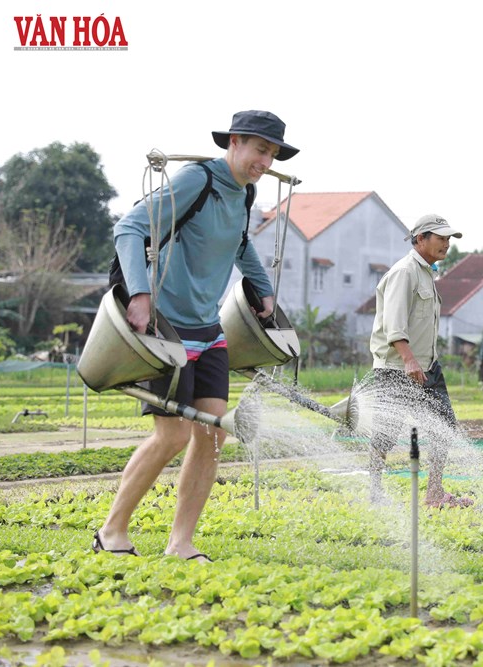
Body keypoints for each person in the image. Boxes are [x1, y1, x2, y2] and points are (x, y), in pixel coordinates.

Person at [93, 110, 299, 562]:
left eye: (272, 153)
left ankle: (180, 543)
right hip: (167, 330)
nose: (265, 161)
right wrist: (140, 295)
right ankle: (111, 531)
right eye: (260, 150)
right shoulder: (197, 181)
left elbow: (241, 245)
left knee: (210, 437)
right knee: (172, 436)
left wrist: (263, 291)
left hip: (210, 331)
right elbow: (129, 227)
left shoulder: (245, 193)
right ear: (236, 142)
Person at [368, 214, 473, 508]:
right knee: (386, 432)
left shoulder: (427, 272)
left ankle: (435, 493)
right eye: (441, 238)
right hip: (398, 368)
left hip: (427, 367)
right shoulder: (404, 272)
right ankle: (374, 492)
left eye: (448, 239)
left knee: (444, 427)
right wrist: (409, 360)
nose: (447, 244)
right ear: (420, 239)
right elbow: (394, 324)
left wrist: (421, 362)